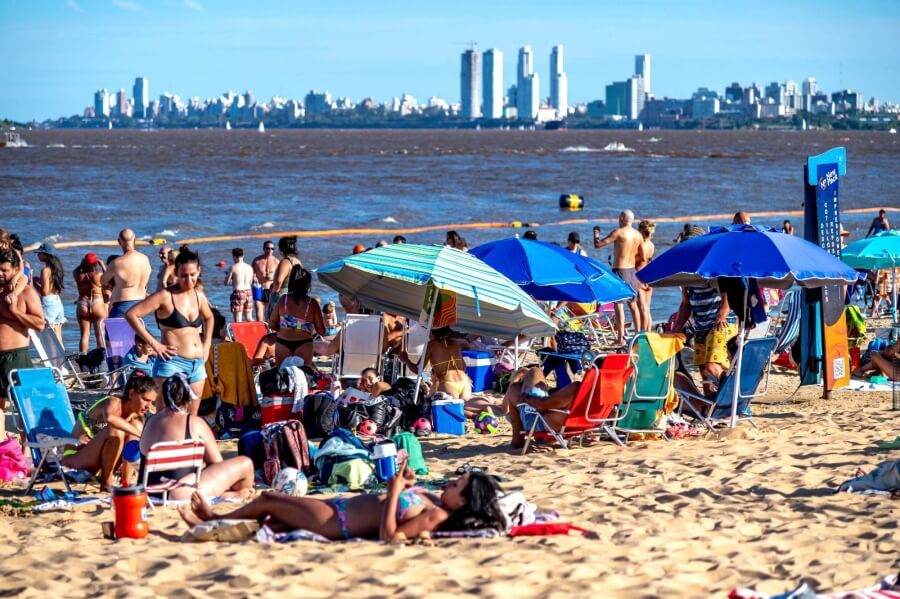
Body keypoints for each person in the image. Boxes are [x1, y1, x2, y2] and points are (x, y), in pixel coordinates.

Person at [179, 464, 505, 541]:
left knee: (268, 498)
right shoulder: (434, 499)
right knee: (273, 522)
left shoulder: (435, 516)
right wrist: (406, 484)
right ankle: (214, 528)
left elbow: (390, 537)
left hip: (338, 521)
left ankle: (211, 516)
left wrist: (394, 493)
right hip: (339, 508)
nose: (449, 482)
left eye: (456, 484)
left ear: (463, 502)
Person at [126, 245, 214, 415]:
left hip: (197, 364)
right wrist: (155, 344)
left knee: (191, 416)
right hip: (171, 362)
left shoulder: (199, 295)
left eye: (193, 275)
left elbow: (209, 317)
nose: (188, 280)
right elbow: (132, 314)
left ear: (199, 271)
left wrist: (207, 343)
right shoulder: (165, 296)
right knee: (164, 414)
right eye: (184, 276)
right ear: (176, 272)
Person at [142, 374, 254, 500]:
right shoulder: (194, 423)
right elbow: (217, 462)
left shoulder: (150, 422)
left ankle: (225, 495)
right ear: (189, 397)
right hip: (181, 491)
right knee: (246, 463)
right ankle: (231, 497)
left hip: (150, 490)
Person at [61, 373, 157, 491]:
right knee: (117, 429)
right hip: (75, 459)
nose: (149, 406)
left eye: (152, 402)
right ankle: (106, 483)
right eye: (146, 400)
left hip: (102, 463)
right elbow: (110, 419)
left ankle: (125, 481)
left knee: (136, 426)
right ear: (131, 394)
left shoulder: (136, 417)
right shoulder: (112, 402)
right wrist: (142, 435)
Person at [0, 248, 44, 410]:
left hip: (15, 356)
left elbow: (40, 324)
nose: (0, 273)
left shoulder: (26, 293)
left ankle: (25, 437)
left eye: (4, 270)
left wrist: (15, 312)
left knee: (24, 406)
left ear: (14, 270)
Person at [503, 367, 587, 449]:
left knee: (534, 371)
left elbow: (541, 404)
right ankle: (519, 379)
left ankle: (517, 439)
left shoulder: (577, 388)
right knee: (517, 386)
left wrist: (526, 398)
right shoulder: (595, 399)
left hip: (538, 421)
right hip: (563, 423)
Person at [593, 210, 645, 342]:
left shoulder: (618, 232)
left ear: (622, 218)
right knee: (633, 305)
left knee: (619, 305)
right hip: (632, 271)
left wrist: (596, 235)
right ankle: (638, 334)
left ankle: (620, 337)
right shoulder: (638, 235)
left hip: (620, 270)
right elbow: (643, 257)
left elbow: (598, 245)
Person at [268, 265, 325, 368]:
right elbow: (321, 331)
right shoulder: (312, 303)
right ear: (307, 285)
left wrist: (285, 327)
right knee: (303, 376)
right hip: (304, 343)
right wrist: (303, 326)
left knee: (282, 377)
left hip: (283, 342)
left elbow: (271, 324)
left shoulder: (283, 300)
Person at [399, 326, 471, 400]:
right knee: (461, 409)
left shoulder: (431, 345)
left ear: (431, 333)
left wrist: (406, 359)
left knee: (450, 409)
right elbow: (468, 344)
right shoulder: (456, 342)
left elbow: (418, 370)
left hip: (448, 384)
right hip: (466, 383)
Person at [102, 228, 152, 318]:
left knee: (114, 332)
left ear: (119, 242)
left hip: (123, 306)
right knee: (136, 332)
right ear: (135, 240)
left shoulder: (117, 263)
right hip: (141, 305)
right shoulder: (145, 259)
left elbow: (103, 281)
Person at [73, 253, 108, 353]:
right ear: (95, 263)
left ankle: (83, 360)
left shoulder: (77, 275)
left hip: (82, 304)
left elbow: (75, 270)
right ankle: (101, 360)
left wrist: (82, 264)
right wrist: (102, 265)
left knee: (84, 335)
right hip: (97, 303)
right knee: (99, 334)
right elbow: (108, 279)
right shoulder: (98, 275)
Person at [33, 243, 66, 345]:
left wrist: (34, 285)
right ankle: (61, 359)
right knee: (57, 335)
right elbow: (53, 287)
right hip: (57, 301)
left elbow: (45, 292)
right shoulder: (57, 268)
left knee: (48, 337)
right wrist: (39, 281)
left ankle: (52, 360)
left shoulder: (45, 270)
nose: (37, 255)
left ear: (46, 255)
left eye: (40, 253)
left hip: (49, 304)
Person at [268, 236, 302, 319]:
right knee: (290, 324)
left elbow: (279, 281)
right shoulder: (298, 262)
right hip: (294, 297)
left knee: (277, 324)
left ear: (281, 249)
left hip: (282, 297)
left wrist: (274, 291)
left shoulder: (286, 262)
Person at [251, 241, 279, 322]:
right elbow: (251, 273)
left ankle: (268, 333)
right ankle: (261, 333)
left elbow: (281, 276)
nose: (270, 250)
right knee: (259, 314)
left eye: (272, 249)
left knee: (268, 315)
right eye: (267, 248)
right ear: (263, 248)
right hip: (259, 288)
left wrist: (273, 277)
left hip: (270, 289)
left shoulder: (277, 262)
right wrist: (254, 278)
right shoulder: (256, 261)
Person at [636, 221, 656, 332]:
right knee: (647, 309)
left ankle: (642, 335)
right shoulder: (651, 245)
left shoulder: (640, 245)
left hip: (639, 276)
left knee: (642, 308)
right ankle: (648, 332)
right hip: (650, 276)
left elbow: (636, 261)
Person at [224, 247, 254, 323]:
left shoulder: (233, 267)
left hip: (238, 293)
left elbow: (226, 282)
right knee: (249, 317)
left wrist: (230, 278)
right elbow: (250, 282)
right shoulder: (249, 267)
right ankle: (255, 333)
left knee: (238, 319)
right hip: (249, 292)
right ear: (243, 256)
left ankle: (239, 335)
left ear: (234, 256)